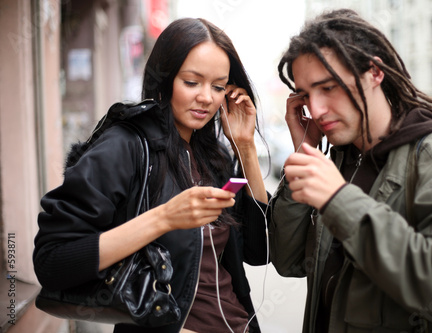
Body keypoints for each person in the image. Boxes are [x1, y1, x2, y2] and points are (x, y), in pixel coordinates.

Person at [33, 17, 269, 333]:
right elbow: (54, 262)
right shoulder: (125, 147)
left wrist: (246, 146)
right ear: (165, 79)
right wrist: (165, 218)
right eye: (191, 82)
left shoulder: (215, 157)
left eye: (218, 86)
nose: (206, 98)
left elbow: (259, 252)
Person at [269, 9, 432, 333]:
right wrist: (306, 151)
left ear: (374, 72)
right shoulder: (340, 158)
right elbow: (288, 262)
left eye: (328, 87)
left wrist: (339, 200)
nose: (315, 110)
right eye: (305, 95)